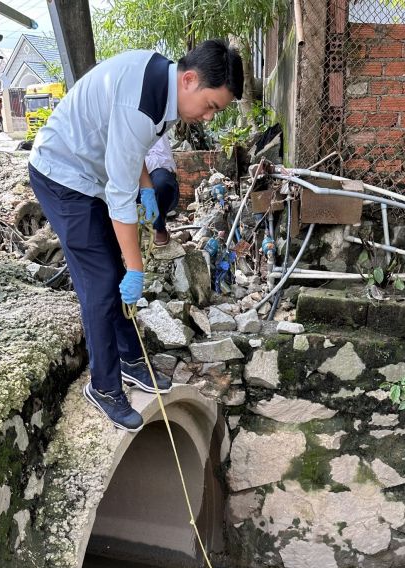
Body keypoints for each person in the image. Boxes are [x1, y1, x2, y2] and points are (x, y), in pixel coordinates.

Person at [28, 39, 243, 432]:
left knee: (112, 271)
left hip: (93, 174)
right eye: (212, 106)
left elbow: (132, 147)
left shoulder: (165, 86)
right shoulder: (142, 102)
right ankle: (104, 387)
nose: (210, 117)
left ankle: (130, 360)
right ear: (191, 79)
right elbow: (119, 197)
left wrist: (147, 184)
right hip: (61, 174)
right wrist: (136, 266)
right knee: (103, 280)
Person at [144, 135, 180, 247]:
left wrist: (136, 163)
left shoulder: (153, 121)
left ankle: (157, 225)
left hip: (152, 178)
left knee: (161, 182)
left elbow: (163, 159)